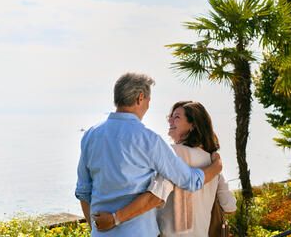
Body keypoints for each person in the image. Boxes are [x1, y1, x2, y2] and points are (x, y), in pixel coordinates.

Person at [75, 73, 223, 237]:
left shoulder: (90, 135)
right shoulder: (149, 140)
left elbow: (83, 191)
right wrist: (215, 167)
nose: (148, 105)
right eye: (148, 100)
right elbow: (189, 180)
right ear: (140, 98)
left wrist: (97, 229)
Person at [93, 101, 237, 236]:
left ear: (192, 125)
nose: (170, 121)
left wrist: (115, 218)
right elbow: (229, 206)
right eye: (170, 117)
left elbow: (156, 196)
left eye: (177, 117)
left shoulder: (173, 154)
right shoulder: (213, 162)